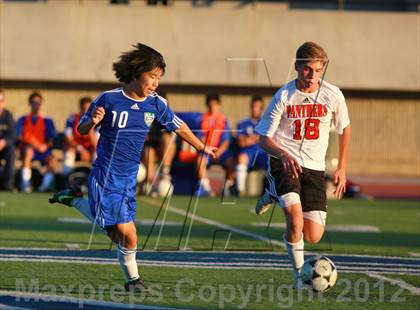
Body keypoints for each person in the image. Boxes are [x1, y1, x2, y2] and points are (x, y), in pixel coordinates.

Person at [49, 43, 217, 292]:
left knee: (119, 235)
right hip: (106, 175)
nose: (155, 83)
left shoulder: (156, 103)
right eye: (152, 76)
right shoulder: (109, 99)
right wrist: (92, 122)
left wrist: (201, 146)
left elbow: (178, 126)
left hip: (129, 178)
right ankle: (133, 281)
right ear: (137, 73)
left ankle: (75, 200)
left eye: (159, 78)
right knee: (129, 234)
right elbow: (81, 128)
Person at [254, 42, 351, 289]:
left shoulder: (333, 94)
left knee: (313, 235)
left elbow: (345, 128)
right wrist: (283, 155)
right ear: (297, 67)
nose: (313, 76)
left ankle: (272, 193)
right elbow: (263, 139)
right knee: (295, 222)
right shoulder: (284, 96)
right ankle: (299, 275)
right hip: (283, 163)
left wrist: (341, 167)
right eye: (308, 70)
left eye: (318, 71)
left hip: (315, 168)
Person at [16, 91, 58, 192]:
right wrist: (34, 145)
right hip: (28, 150)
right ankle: (25, 184)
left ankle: (44, 187)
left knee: (53, 160)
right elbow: (19, 136)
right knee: (28, 151)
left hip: (43, 151)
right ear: (30, 103)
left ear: (41, 103)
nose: (36, 105)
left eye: (38, 102)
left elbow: (51, 140)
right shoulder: (23, 119)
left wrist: (45, 146)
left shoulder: (47, 120)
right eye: (34, 102)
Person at [195, 94, 236, 197]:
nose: (212, 107)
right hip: (206, 151)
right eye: (210, 105)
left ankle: (227, 187)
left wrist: (218, 152)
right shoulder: (202, 119)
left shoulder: (223, 121)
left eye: (215, 104)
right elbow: (200, 137)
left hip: (220, 152)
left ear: (218, 105)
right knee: (200, 160)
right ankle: (206, 188)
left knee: (231, 161)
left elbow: (226, 141)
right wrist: (207, 148)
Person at [235, 96, 268, 196]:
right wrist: (258, 137)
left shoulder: (266, 123)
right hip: (248, 153)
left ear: (261, 108)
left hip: (262, 153)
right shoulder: (243, 123)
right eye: (254, 106)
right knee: (241, 158)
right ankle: (240, 190)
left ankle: (269, 191)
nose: (255, 109)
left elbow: (269, 139)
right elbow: (241, 142)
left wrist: (250, 138)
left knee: (273, 160)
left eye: (258, 107)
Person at [62, 96, 98, 175]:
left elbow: (96, 144)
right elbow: (68, 138)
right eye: (84, 108)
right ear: (80, 108)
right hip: (76, 148)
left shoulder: (97, 120)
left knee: (97, 154)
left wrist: (90, 125)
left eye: (88, 109)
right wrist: (80, 149)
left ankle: (96, 181)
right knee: (69, 152)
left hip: (89, 149)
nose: (86, 111)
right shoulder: (72, 119)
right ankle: (66, 179)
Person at [0, 89, 16, 190]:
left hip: (4, 148)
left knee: (12, 152)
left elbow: (12, 134)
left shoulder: (8, 115)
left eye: (0, 100)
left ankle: (7, 184)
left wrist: (4, 142)